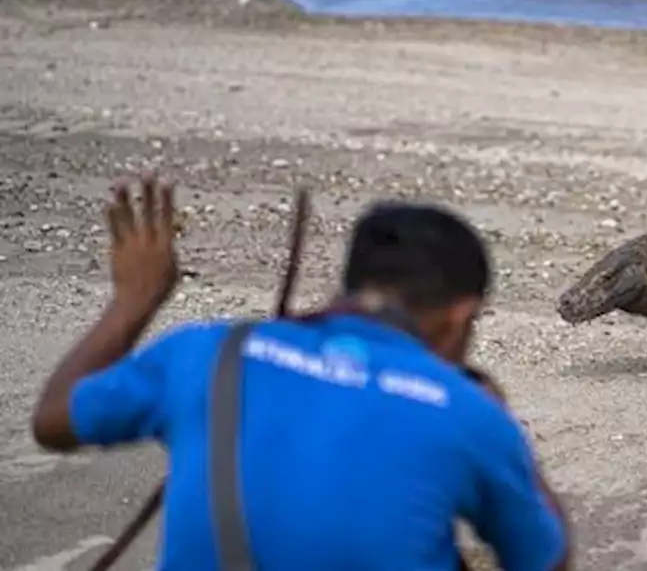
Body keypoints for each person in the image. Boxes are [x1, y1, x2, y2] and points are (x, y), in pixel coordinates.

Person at [30, 172, 572, 571]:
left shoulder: (210, 351)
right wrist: (498, 417)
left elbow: (54, 420)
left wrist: (134, 300)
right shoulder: (467, 411)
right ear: (461, 316)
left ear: (351, 283)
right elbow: (547, 561)